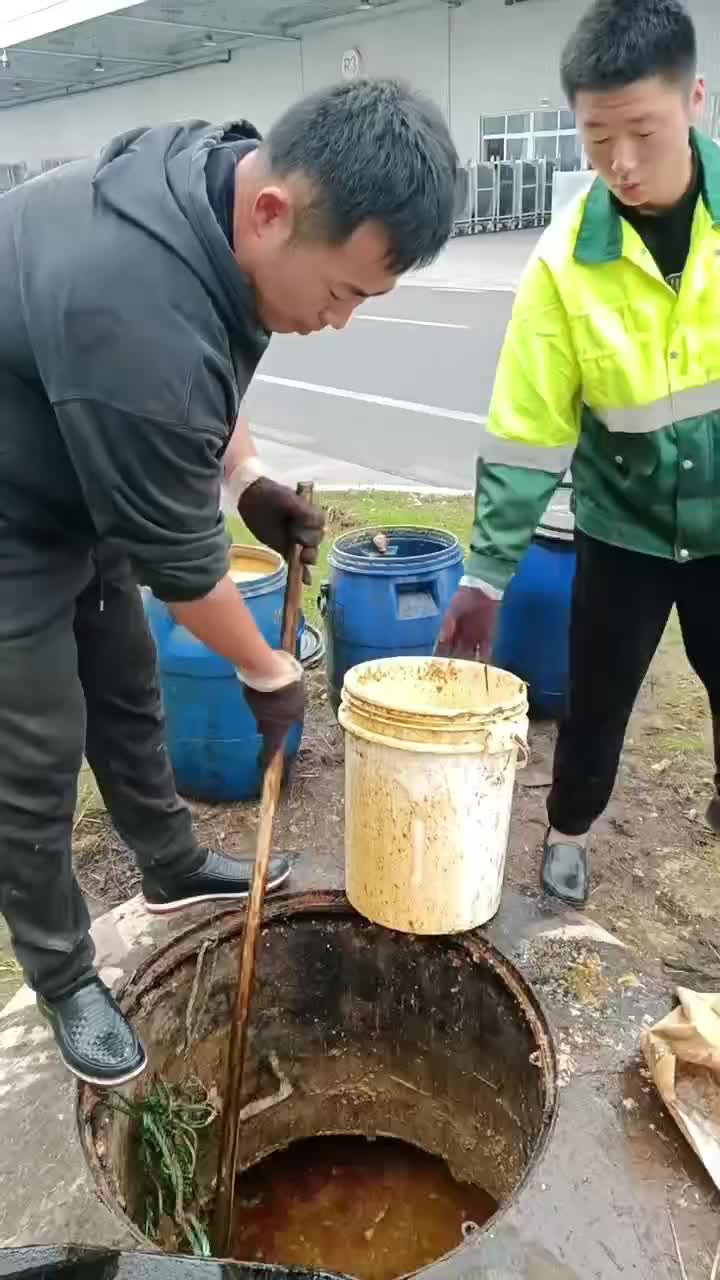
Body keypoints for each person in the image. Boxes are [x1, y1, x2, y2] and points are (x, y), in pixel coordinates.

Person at [0, 79, 458, 1085]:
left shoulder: (219, 180)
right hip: (11, 507)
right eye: (343, 292)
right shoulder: (133, 314)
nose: (339, 321)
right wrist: (268, 669)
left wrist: (244, 478)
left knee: (124, 683)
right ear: (271, 214)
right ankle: (66, 973)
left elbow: (211, 370)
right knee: (31, 750)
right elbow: (184, 571)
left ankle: (168, 863)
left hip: (76, 444)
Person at [438, 0, 720, 908]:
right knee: (595, 700)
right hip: (623, 527)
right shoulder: (564, 264)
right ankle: (567, 829)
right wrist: (484, 576)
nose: (621, 164)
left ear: (695, 102)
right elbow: (528, 428)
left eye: (642, 131)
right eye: (598, 140)